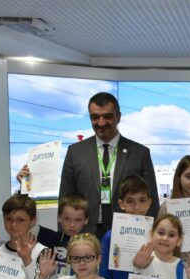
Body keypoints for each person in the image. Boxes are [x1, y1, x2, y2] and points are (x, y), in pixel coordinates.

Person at [58, 92, 158, 238]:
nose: (101, 122)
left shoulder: (139, 153)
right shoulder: (75, 152)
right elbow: (64, 200)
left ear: (118, 117)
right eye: (95, 117)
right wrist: (63, 239)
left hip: (128, 235)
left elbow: (152, 201)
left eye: (107, 116)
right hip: (84, 236)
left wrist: (150, 237)